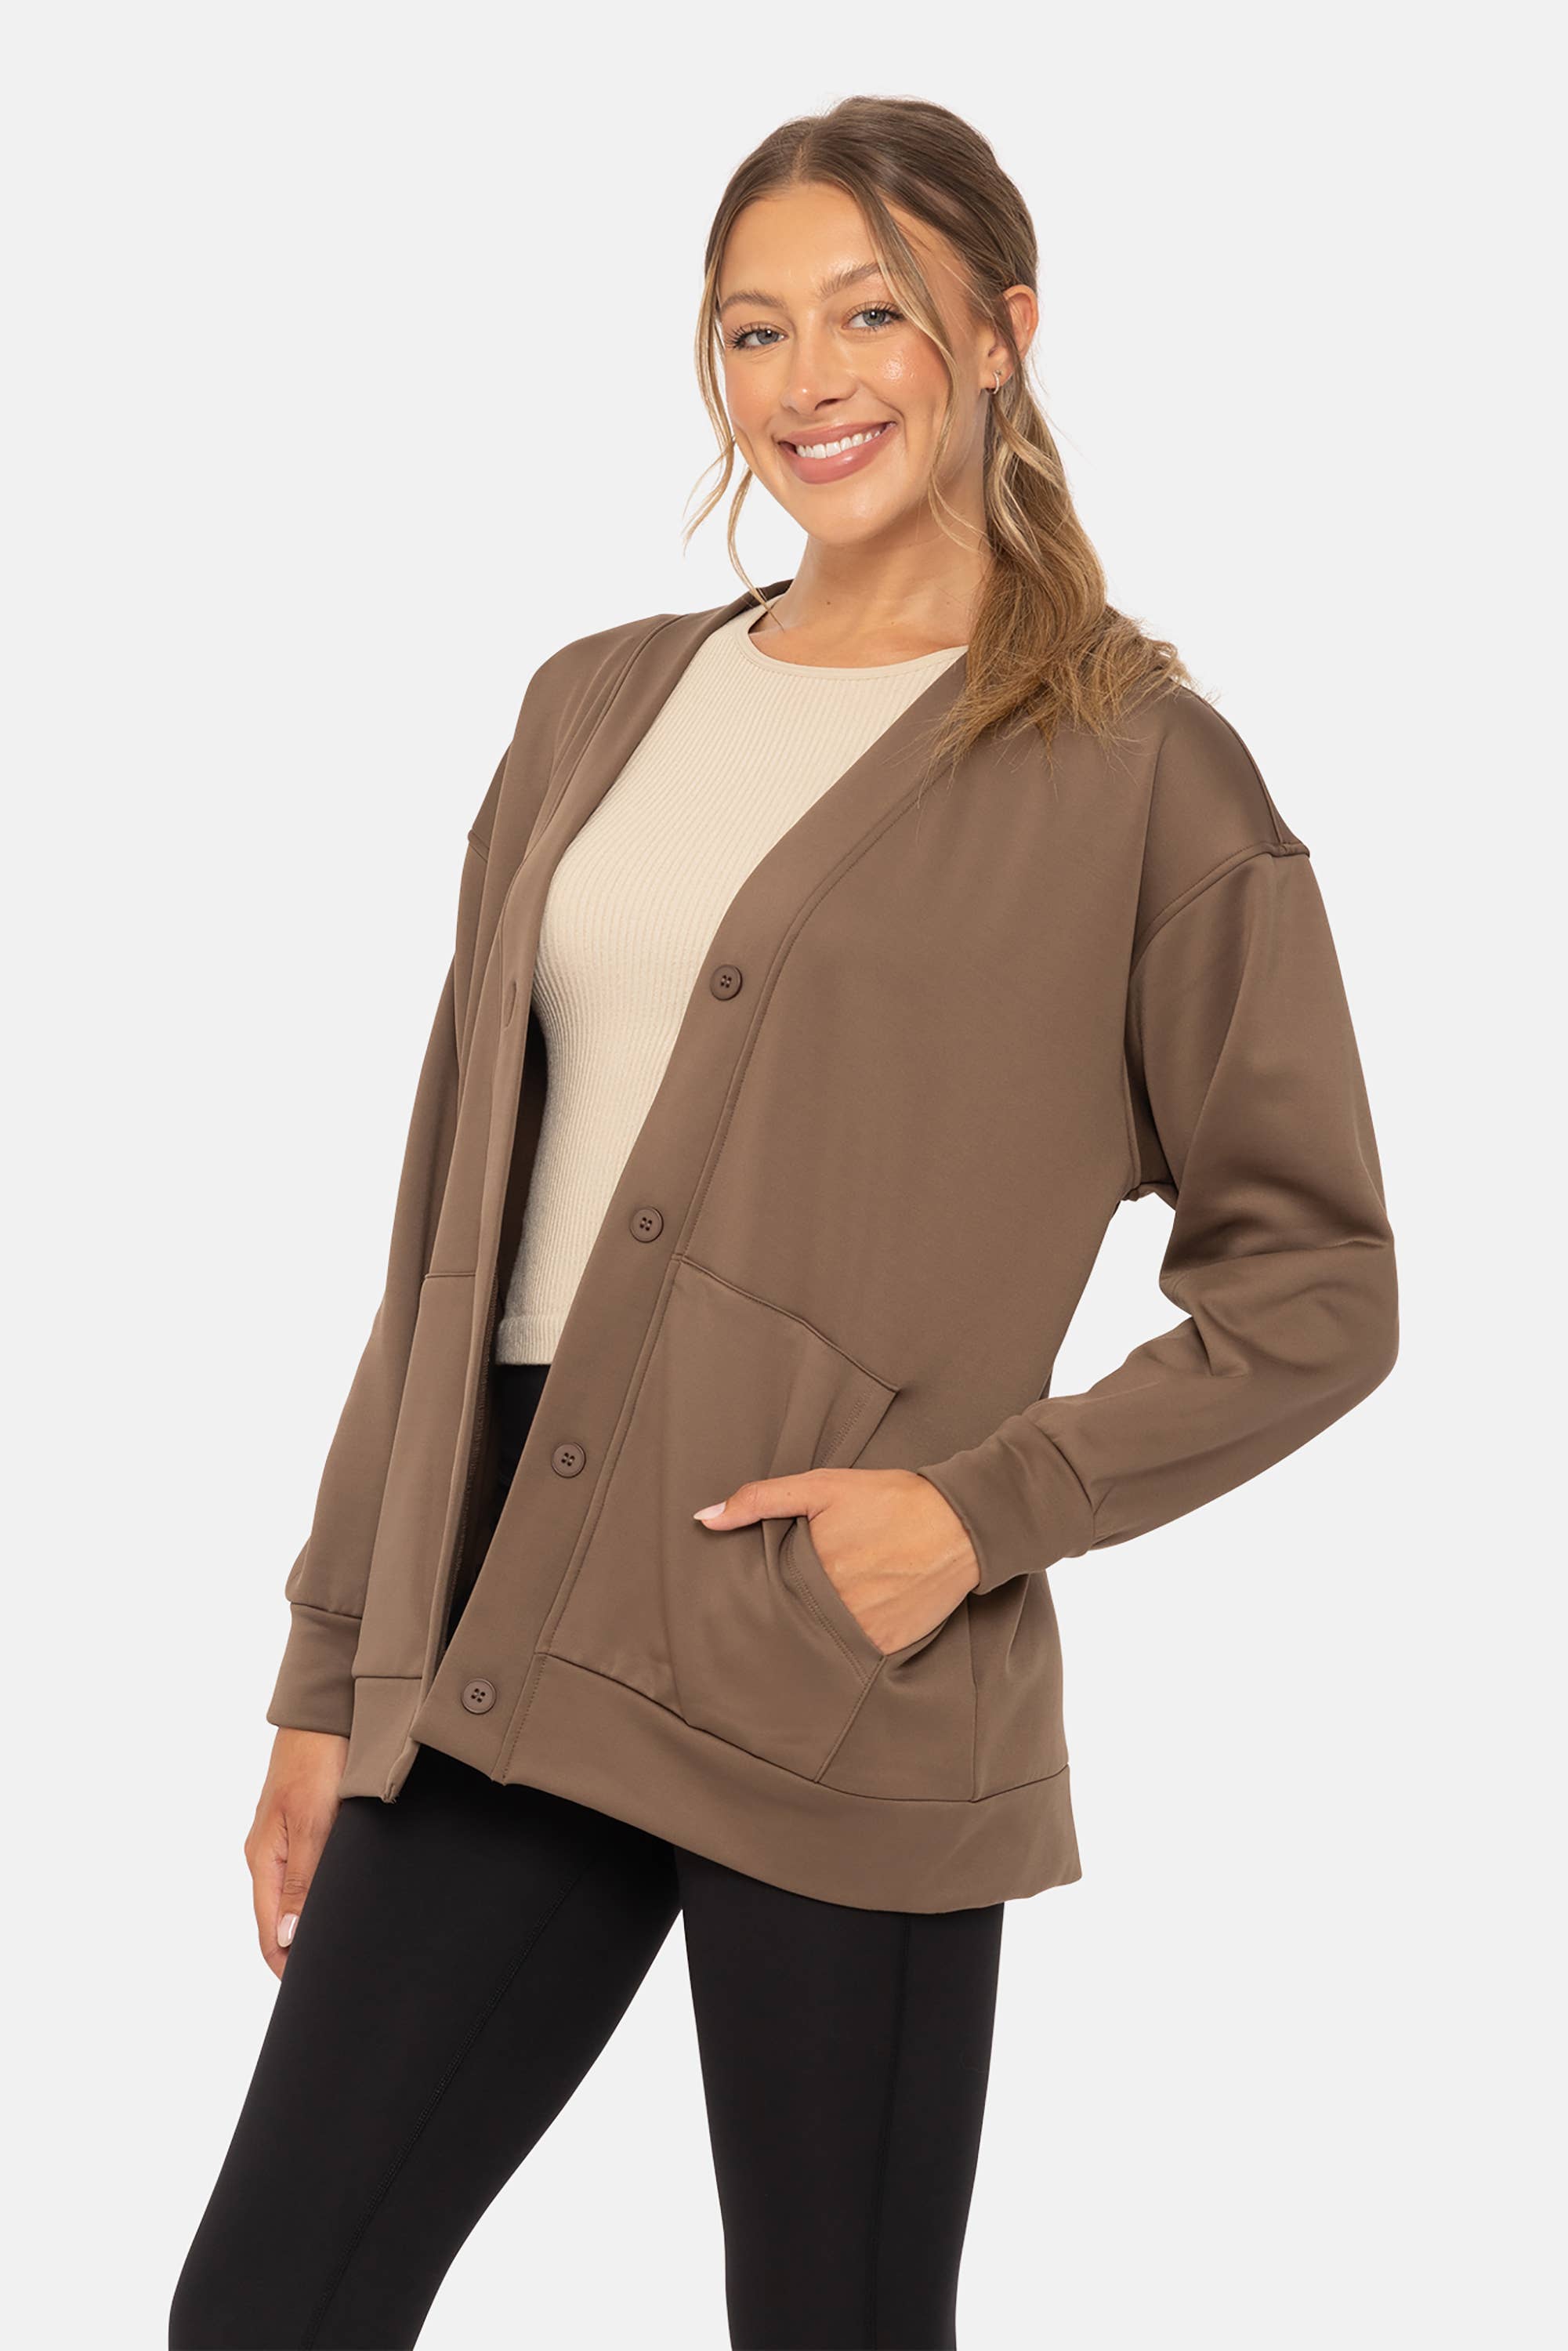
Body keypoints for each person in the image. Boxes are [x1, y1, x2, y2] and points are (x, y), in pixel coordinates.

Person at [169, 92, 1398, 2351]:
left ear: (1000, 333)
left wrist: (971, 1517)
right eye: (754, 330)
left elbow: (1318, 1278)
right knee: (270, 2305)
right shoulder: (594, 706)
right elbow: (446, 1234)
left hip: (840, 1661)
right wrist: (332, 1668)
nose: (807, 380)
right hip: (500, 1625)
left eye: (869, 316)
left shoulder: (1139, 770)